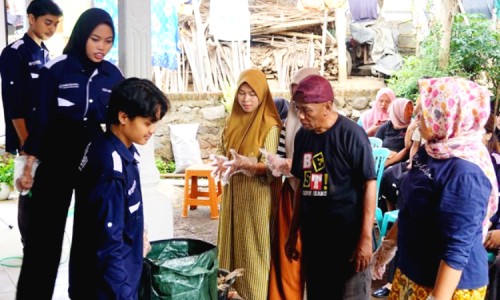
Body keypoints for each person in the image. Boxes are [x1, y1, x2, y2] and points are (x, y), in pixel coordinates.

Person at [15, 8, 125, 299]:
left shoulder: (113, 75)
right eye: (95, 39)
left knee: (90, 237)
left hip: (94, 159)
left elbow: (119, 124)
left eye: (108, 41)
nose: (101, 47)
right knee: (44, 239)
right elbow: (40, 121)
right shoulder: (57, 68)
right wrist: (29, 166)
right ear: (81, 36)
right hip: (56, 158)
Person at [372, 76, 498, 299]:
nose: (419, 118)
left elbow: (458, 247)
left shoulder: (466, 172)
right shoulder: (432, 150)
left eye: (430, 113)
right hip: (412, 271)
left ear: (453, 117)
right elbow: (411, 207)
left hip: (449, 286)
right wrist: (388, 245)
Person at [69, 78, 169, 299]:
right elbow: (107, 242)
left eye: (156, 123)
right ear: (123, 117)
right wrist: (123, 294)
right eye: (148, 122)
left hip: (118, 278)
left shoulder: (124, 152)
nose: (152, 130)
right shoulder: (109, 165)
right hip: (106, 288)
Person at [284, 74, 377, 299]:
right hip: (315, 239)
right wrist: (293, 231)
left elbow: (369, 185)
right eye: (298, 109)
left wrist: (365, 238)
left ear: (327, 106)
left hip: (348, 241)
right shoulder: (303, 136)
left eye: (307, 110)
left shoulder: (352, 134)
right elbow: (301, 187)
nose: (301, 116)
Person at [211, 69, 282, 300]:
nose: (246, 99)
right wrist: (224, 163)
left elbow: (272, 168)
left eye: (252, 94)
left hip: (256, 199)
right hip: (233, 196)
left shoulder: (270, 125)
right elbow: (224, 153)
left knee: (254, 253)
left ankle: (255, 296)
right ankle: (229, 294)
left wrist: (248, 165)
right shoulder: (232, 121)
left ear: (262, 94)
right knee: (230, 247)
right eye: (241, 93)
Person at [0, 0, 62, 248]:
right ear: (31, 18)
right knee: (28, 191)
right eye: (48, 22)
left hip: (46, 135)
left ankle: (43, 240)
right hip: (27, 137)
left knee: (44, 190)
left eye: (56, 24)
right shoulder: (14, 53)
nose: (52, 28)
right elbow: (13, 103)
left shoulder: (46, 54)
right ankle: (30, 244)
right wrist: (26, 143)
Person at [268, 67, 320, 300]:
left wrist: (292, 165)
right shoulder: (289, 117)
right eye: (293, 87)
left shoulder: (333, 124)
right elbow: (283, 155)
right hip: (292, 191)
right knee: (289, 256)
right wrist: (282, 165)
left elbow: (324, 166)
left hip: (321, 199)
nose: (295, 93)